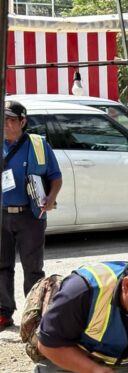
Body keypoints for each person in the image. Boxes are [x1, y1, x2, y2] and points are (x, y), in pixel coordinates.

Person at [1, 100, 62, 331]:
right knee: (2, 266)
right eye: (3, 119)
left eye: (11, 119)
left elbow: (56, 177)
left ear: (22, 121)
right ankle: (4, 312)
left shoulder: (38, 145)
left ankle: (33, 313)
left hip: (31, 216)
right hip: (2, 215)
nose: (6, 124)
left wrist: (51, 197)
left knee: (33, 268)